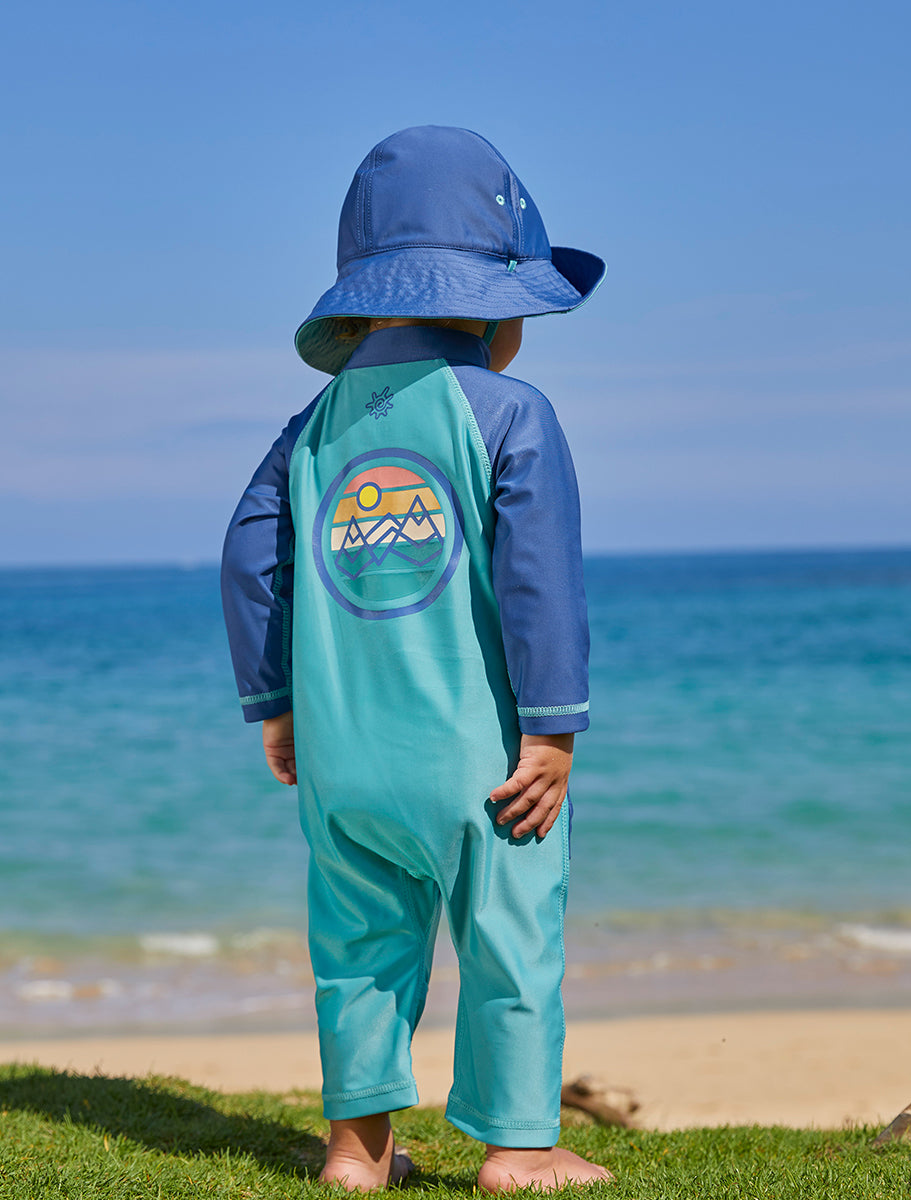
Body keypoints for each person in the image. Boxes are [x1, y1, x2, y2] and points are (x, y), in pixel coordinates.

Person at [220, 125, 612, 1193]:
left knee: (356, 947)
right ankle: (520, 1147)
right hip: (481, 759)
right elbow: (540, 583)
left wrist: (277, 704)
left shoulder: (308, 432)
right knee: (510, 936)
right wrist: (553, 729)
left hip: (344, 763)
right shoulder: (512, 415)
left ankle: (357, 1152)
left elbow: (253, 557)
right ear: (491, 309)